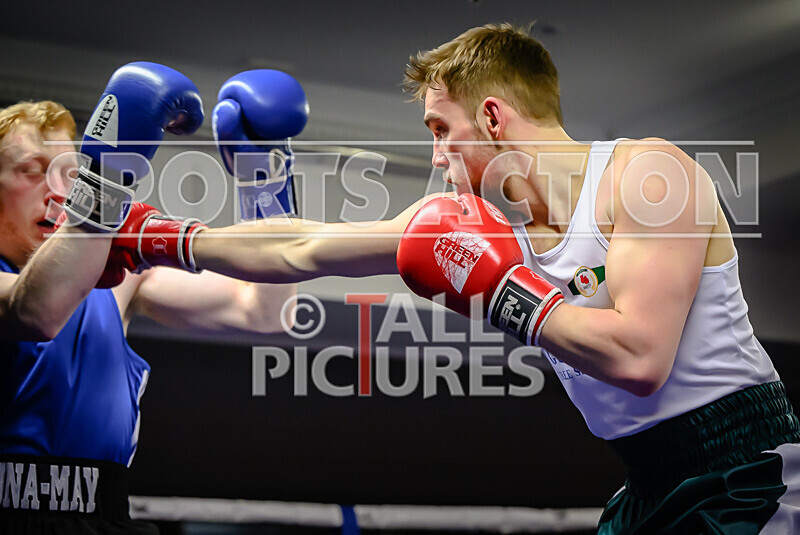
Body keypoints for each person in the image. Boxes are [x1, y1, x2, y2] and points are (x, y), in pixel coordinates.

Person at [154, 24, 797, 534]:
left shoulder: (648, 174)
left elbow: (639, 356)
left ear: (492, 117)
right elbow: (304, 247)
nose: (436, 158)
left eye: (441, 131)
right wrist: (163, 237)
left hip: (744, 469)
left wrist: (501, 289)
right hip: (645, 484)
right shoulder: (487, 225)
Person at [0, 64, 296, 533]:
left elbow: (264, 311)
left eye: (72, 176)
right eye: (32, 171)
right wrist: (106, 180)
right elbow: (34, 308)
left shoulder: (115, 278)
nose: (58, 192)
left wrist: (264, 183)